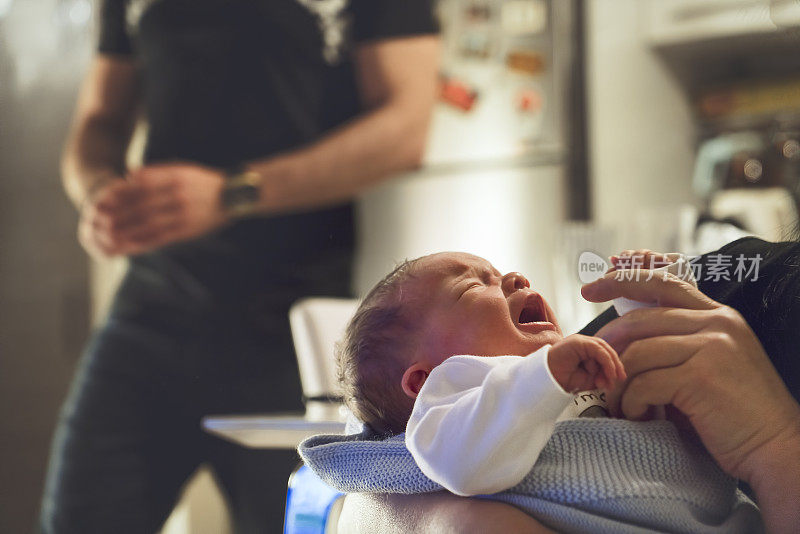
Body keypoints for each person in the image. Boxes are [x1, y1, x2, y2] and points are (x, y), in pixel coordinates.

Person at [40, 1, 439, 532]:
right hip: (148, 316)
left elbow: (405, 129)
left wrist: (234, 194)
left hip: (291, 334)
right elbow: (98, 121)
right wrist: (97, 193)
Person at [335, 237, 800, 534]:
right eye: (473, 287)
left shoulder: (558, 375)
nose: (515, 277)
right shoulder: (454, 402)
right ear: (425, 379)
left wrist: (641, 310)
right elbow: (459, 462)